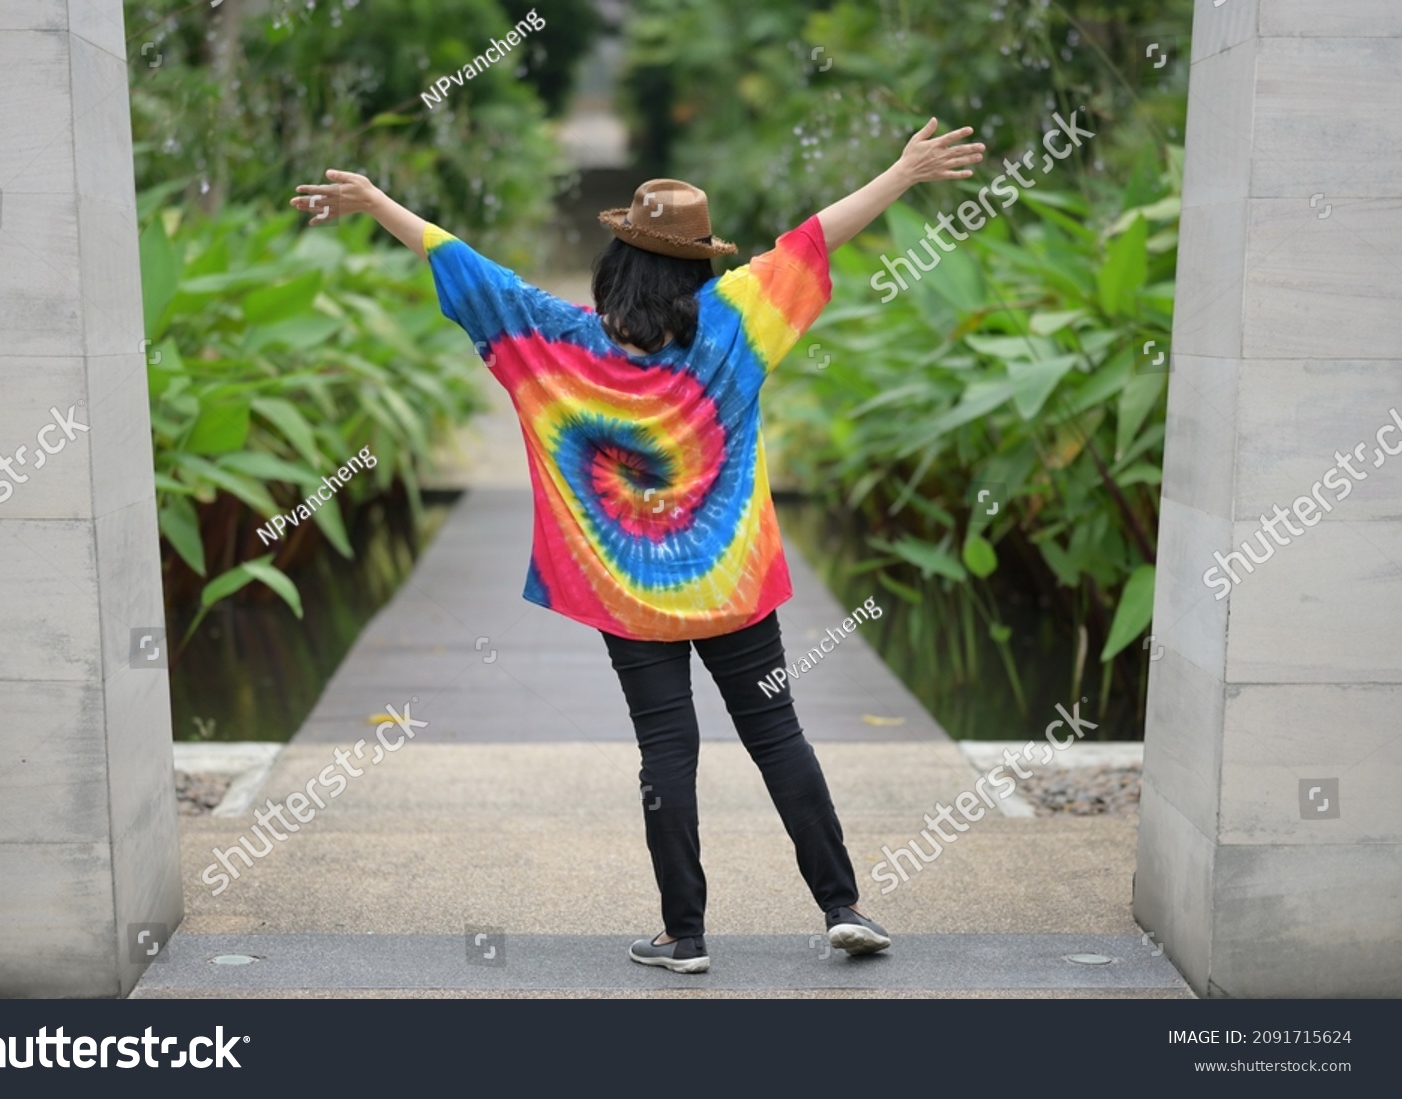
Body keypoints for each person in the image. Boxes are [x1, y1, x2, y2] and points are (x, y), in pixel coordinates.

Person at [291, 118, 985, 973]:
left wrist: (373, 201)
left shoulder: (561, 339)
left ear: (617, 260)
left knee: (667, 748)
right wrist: (903, 174)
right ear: (701, 264)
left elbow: (468, 266)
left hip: (628, 590)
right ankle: (842, 904)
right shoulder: (736, 318)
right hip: (729, 579)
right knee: (777, 733)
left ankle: (684, 937)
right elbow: (811, 236)